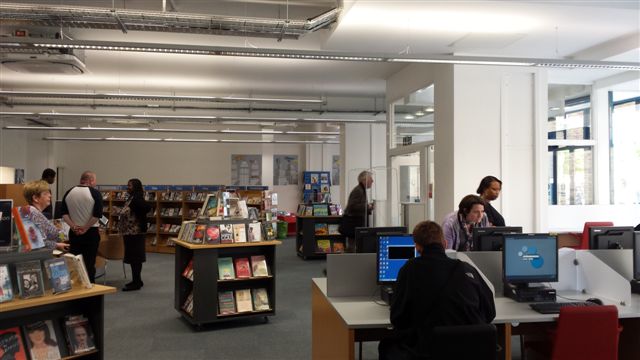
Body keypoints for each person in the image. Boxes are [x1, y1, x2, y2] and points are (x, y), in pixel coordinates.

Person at [378, 221, 496, 360]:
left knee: (386, 345)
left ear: (417, 247)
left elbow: (398, 318)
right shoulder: (466, 269)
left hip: (425, 351)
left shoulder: (409, 270)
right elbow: (490, 313)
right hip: (471, 351)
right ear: (445, 244)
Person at [61, 171, 103, 283]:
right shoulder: (95, 193)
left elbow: (64, 214)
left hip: (74, 233)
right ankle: (90, 290)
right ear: (91, 180)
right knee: (89, 263)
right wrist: (85, 227)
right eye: (95, 180)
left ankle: (76, 289)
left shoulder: (69, 192)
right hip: (91, 232)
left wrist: (73, 226)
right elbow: (97, 215)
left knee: (74, 262)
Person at [118, 178, 151, 291]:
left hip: (135, 233)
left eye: (130, 186)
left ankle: (136, 282)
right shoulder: (132, 197)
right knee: (133, 258)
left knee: (135, 258)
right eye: (127, 185)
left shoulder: (137, 198)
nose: (127, 187)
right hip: (130, 232)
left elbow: (146, 207)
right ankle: (137, 280)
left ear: (135, 187)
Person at [20, 180, 68, 251]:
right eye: (46, 193)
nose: (50, 195)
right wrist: (57, 245)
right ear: (35, 198)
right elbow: (38, 241)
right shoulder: (33, 212)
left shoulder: (28, 211)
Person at [339, 170, 374, 252]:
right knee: (352, 247)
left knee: (353, 246)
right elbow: (352, 206)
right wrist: (368, 206)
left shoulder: (361, 189)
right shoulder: (358, 190)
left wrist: (368, 207)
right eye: (370, 179)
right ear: (364, 180)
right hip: (354, 223)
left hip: (356, 222)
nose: (372, 181)